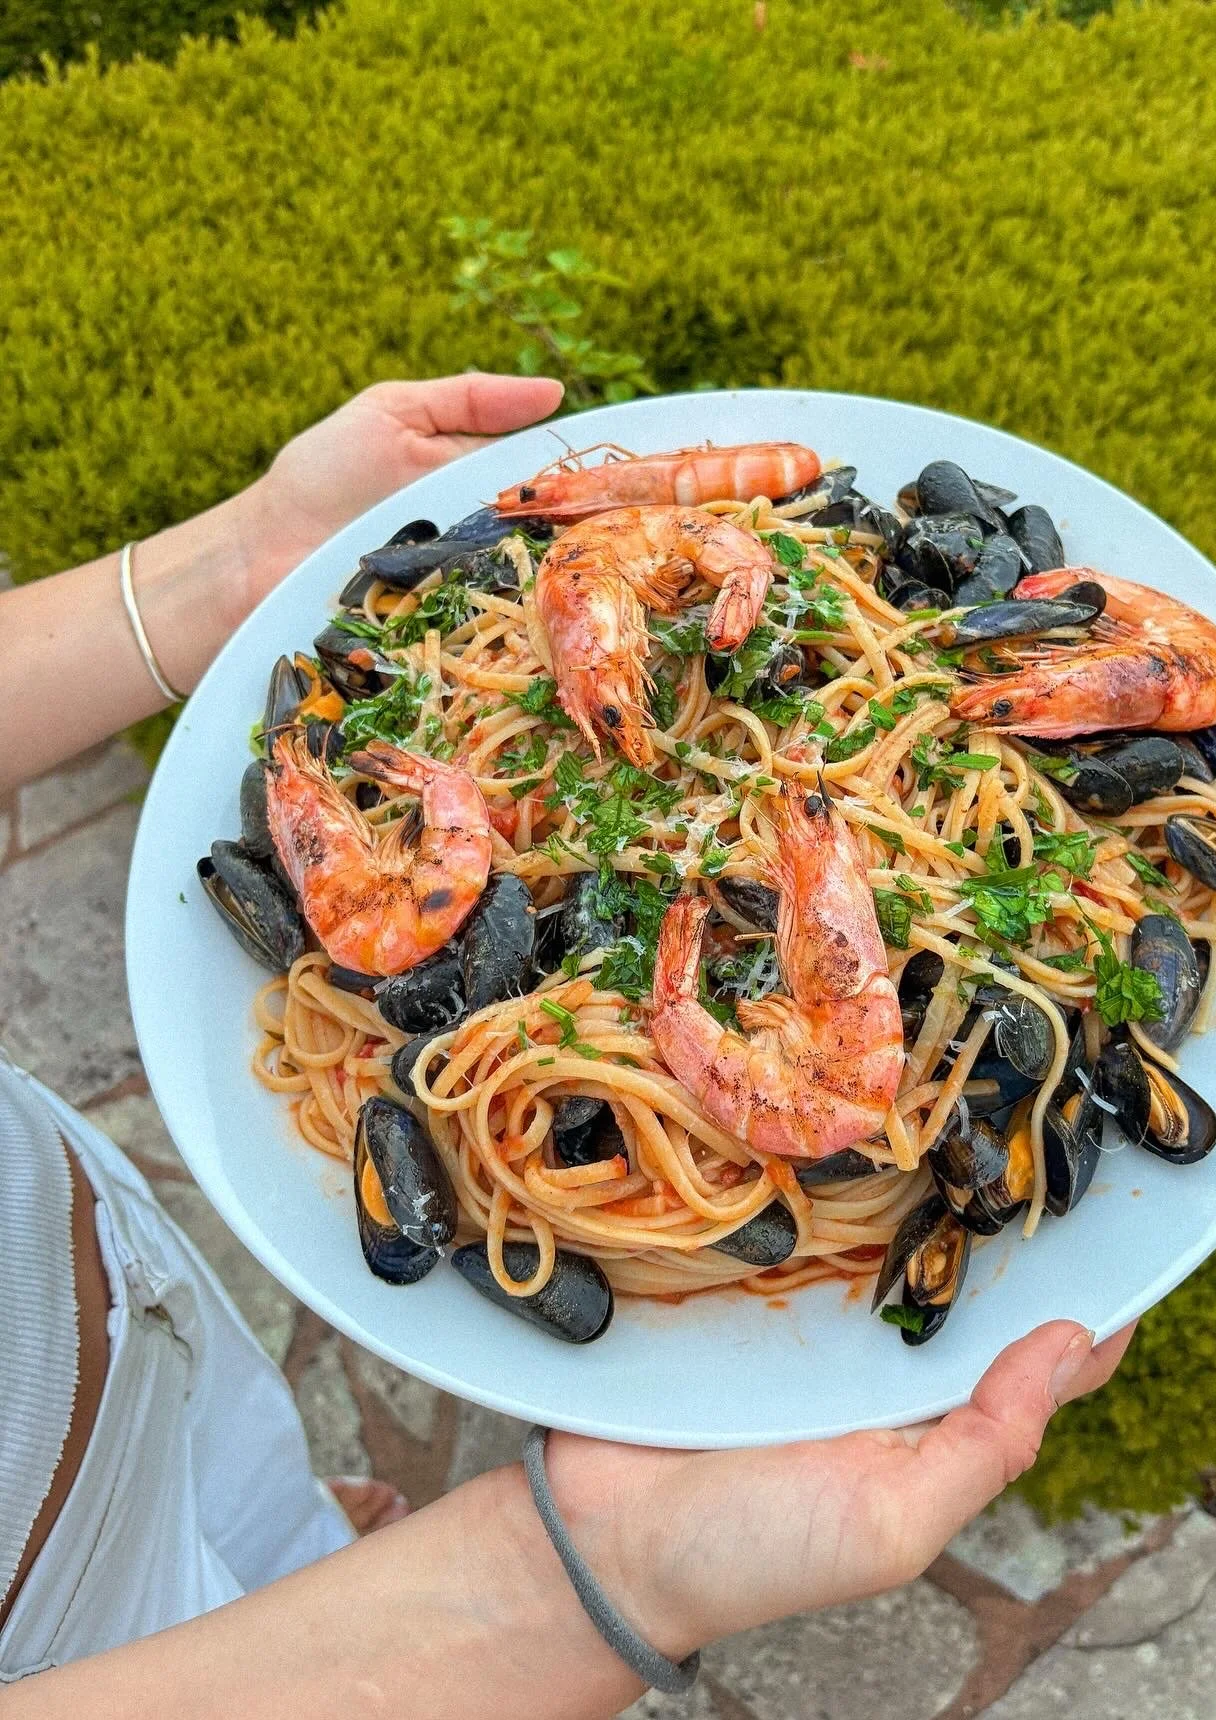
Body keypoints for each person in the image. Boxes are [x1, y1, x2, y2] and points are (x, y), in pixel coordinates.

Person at [0, 373, 1133, 1718]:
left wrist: (224, 570)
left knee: (243, 1483)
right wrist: (572, 1585)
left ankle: (289, 1552)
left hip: (82, 1258)